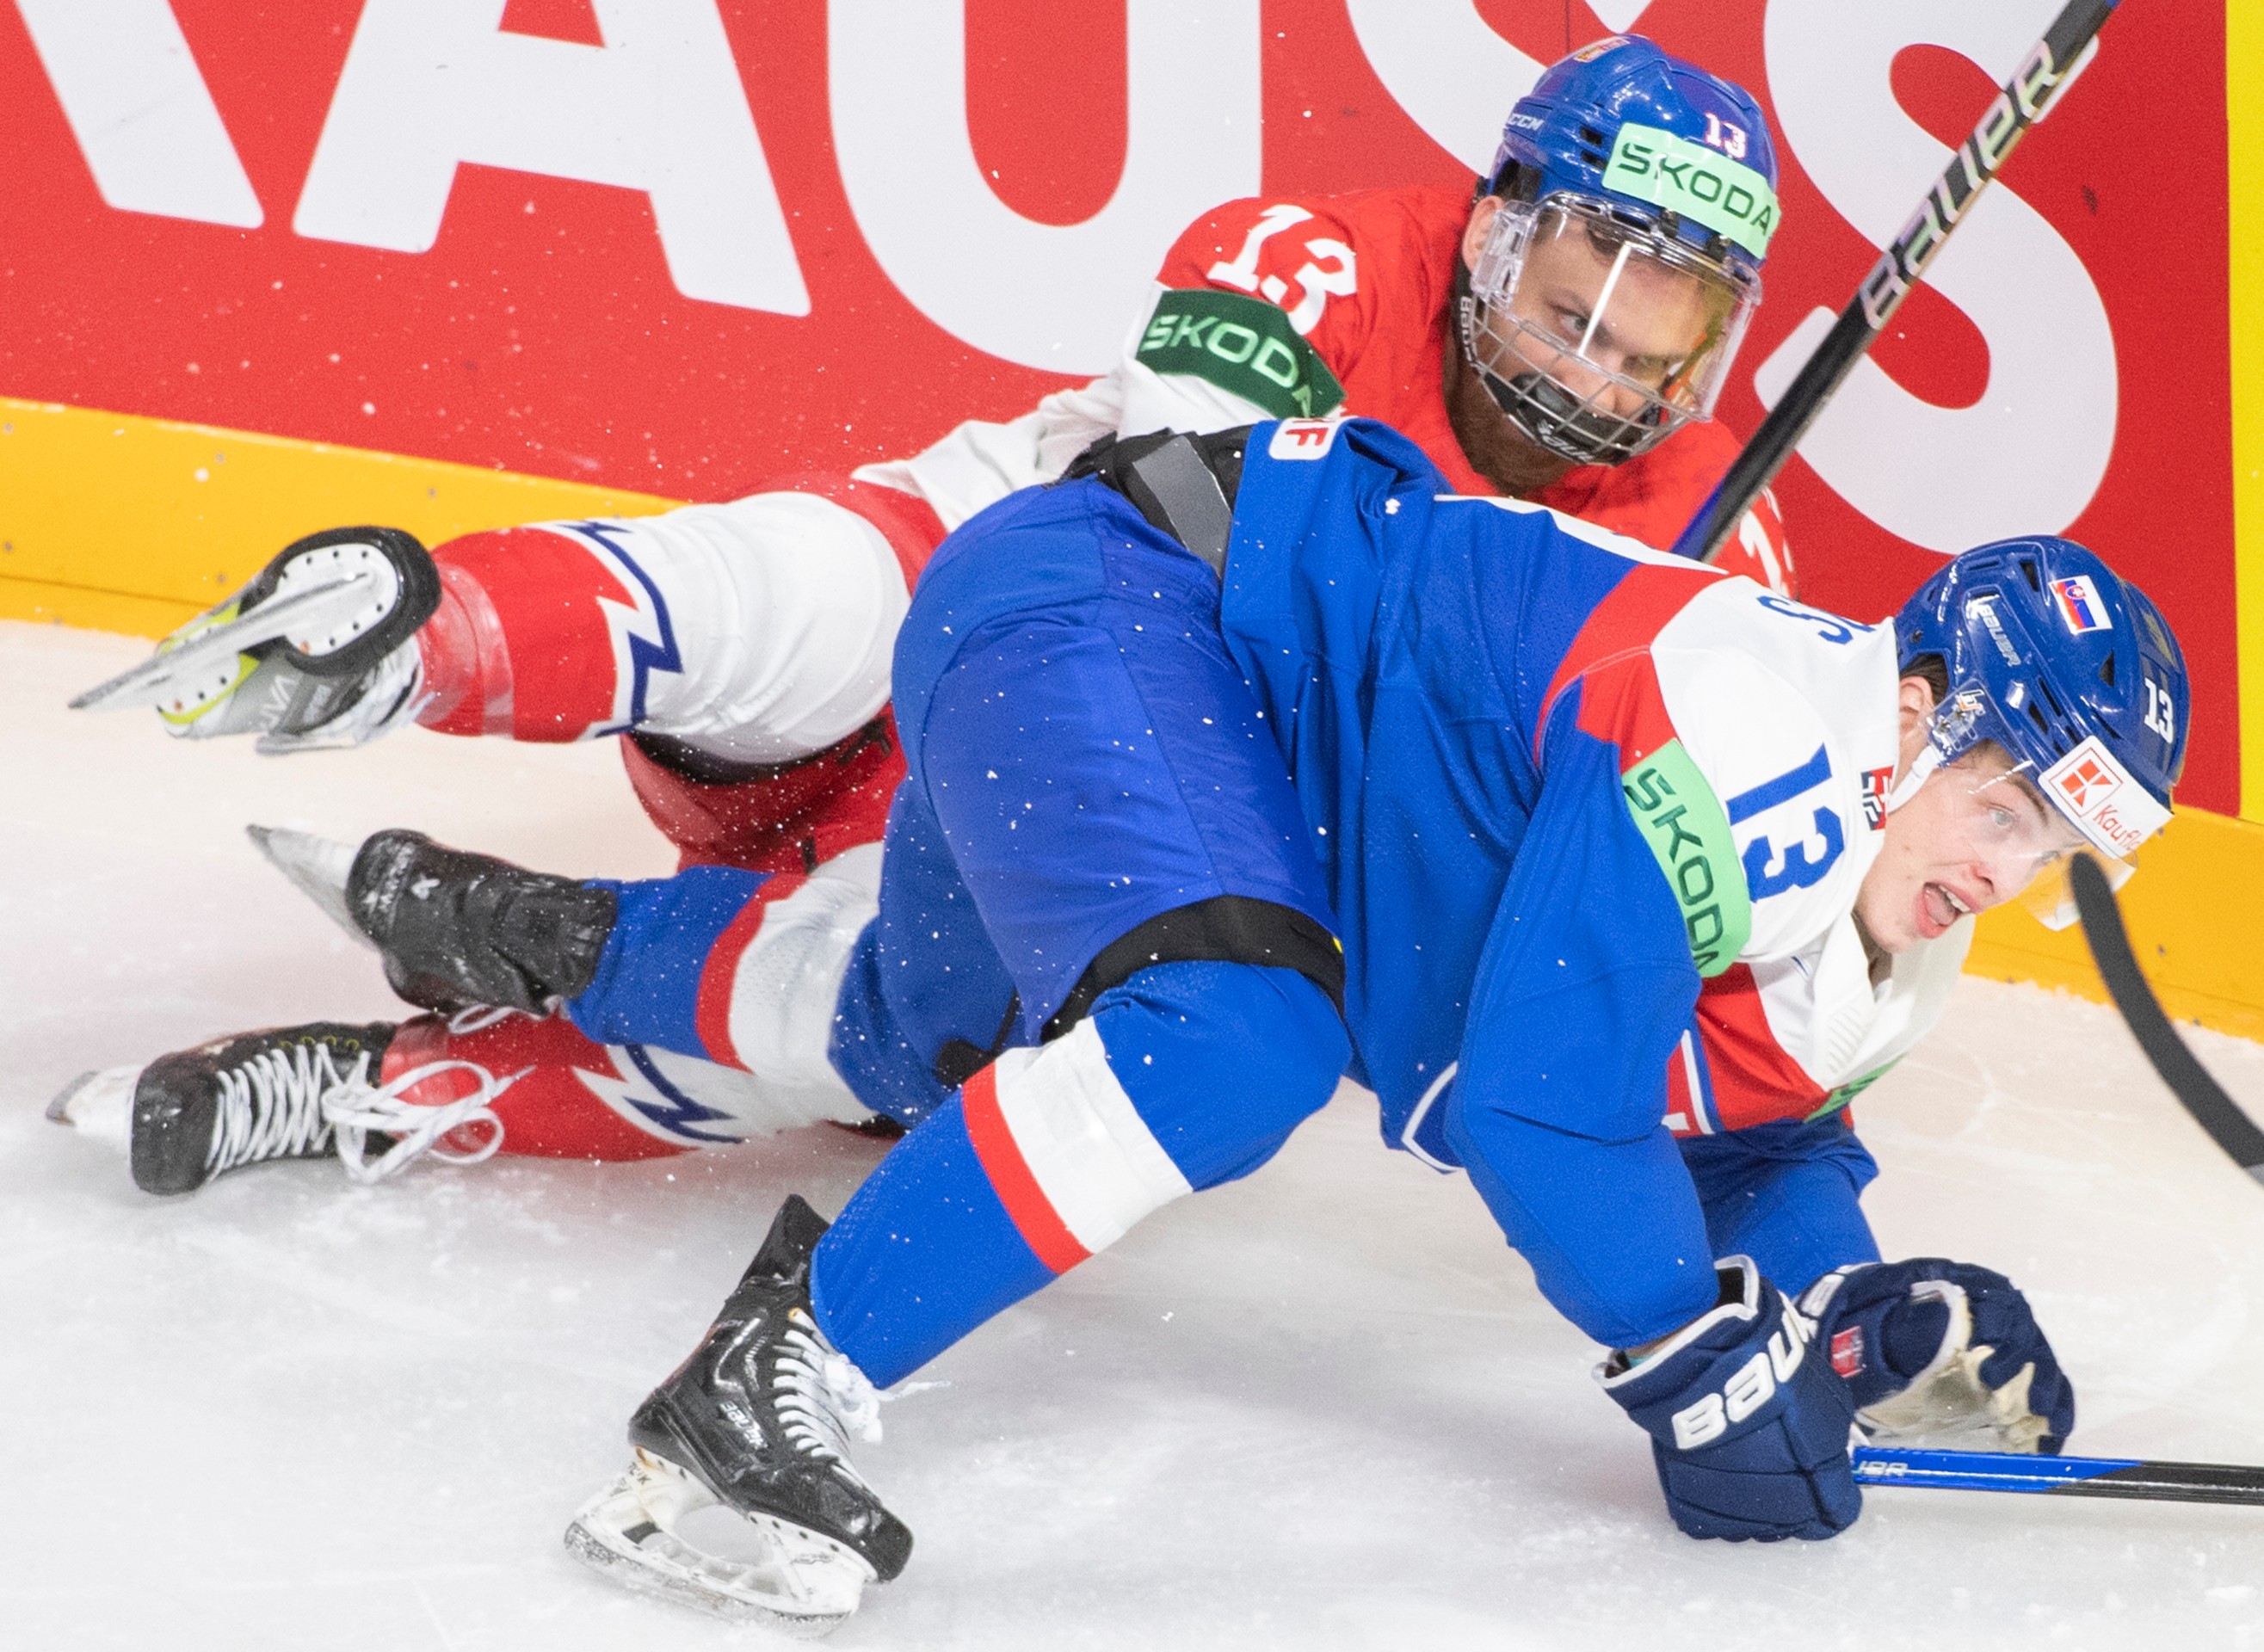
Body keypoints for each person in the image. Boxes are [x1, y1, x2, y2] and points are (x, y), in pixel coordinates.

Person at [487, 416, 2180, 1629]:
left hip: (1196, 728)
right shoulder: (1763, 740)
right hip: (1121, 604)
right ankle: (766, 1384)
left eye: (2045, 846)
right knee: (1234, 1037)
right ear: (1912, 708)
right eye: (1998, 804)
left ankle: (526, 934)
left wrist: (1841, 1305)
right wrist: (1686, 1355)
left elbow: (1747, 1129)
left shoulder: (1864, 896)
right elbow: (1541, 1100)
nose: (1998, 872)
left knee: (914, 1049)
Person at [59, 37, 1805, 1182]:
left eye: (1667, 340)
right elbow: (1187, 502)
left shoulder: (1716, 554)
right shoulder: (1324, 259)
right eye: (1577, 307)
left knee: (856, 1059)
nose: (1603, 378)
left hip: (1099, 806)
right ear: (1499, 227)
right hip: (998, 618)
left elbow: (1715, 903)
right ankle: (407, 634)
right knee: (807, 588)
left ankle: (389, 1076)